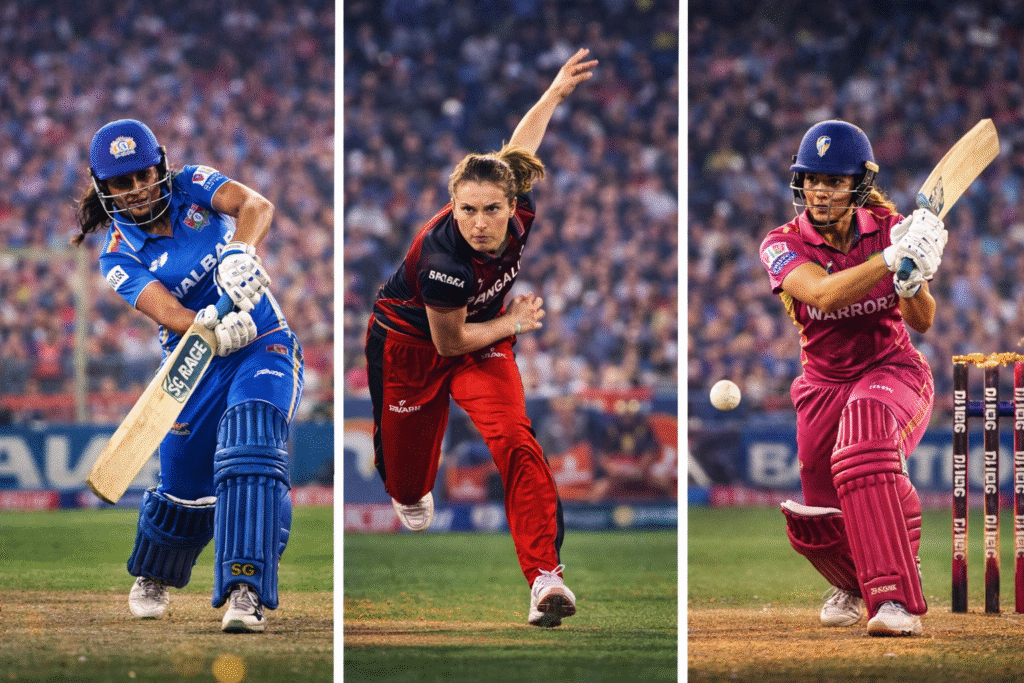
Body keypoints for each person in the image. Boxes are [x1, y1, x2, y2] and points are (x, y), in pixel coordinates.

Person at [364, 48, 598, 627]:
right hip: (415, 347)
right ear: (453, 206)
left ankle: (546, 579)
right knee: (407, 483)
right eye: (467, 209)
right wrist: (513, 323)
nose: (479, 222)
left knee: (516, 440)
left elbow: (521, 148)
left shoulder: (514, 205)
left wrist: (553, 94)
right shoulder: (444, 258)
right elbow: (449, 343)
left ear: (512, 203)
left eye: (491, 209)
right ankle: (407, 482)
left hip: (484, 343)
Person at [74, 119, 304, 633]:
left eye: (143, 174)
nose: (136, 189)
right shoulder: (117, 254)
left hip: (263, 342)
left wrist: (241, 251)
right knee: (182, 488)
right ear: (104, 188)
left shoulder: (192, 183)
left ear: (160, 165)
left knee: (251, 446)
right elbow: (172, 315)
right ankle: (154, 574)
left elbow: (256, 206)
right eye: (122, 182)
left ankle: (246, 590)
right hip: (193, 360)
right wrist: (209, 327)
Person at [758, 120, 948, 637]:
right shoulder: (779, 244)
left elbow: (922, 320)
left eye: (834, 181)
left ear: (858, 185)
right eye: (812, 179)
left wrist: (911, 279)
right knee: (814, 520)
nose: (820, 191)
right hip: (822, 388)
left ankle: (894, 600)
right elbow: (821, 295)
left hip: (893, 373)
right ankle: (854, 581)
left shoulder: (891, 229)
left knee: (865, 434)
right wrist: (890, 260)